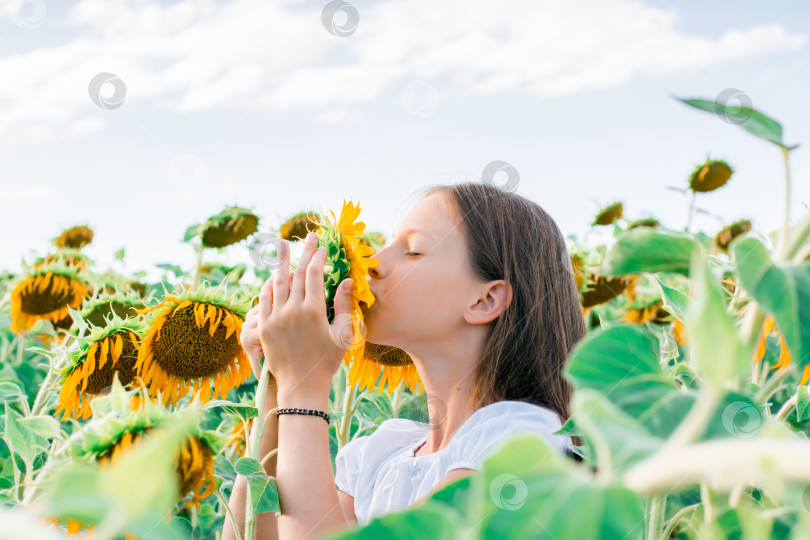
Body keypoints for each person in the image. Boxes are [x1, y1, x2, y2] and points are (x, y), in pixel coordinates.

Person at [223, 181, 586, 540]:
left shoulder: (521, 442)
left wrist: (304, 390)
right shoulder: (381, 454)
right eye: (385, 246)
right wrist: (277, 388)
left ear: (484, 301)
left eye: (413, 251)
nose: (373, 264)